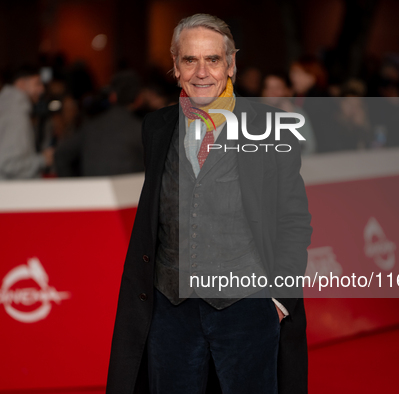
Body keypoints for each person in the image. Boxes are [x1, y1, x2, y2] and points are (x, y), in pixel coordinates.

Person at [106, 14, 312, 394]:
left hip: (247, 307)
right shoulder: (156, 126)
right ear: (175, 65)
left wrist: (280, 300)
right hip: (171, 309)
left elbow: (294, 220)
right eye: (190, 60)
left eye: (213, 60)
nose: (201, 72)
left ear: (231, 64)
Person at [0, 65, 53, 180]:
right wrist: (42, 159)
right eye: (37, 83)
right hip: (9, 195)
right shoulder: (17, 115)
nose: (42, 89)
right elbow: (9, 165)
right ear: (21, 84)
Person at [54, 70, 143, 177]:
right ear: (139, 99)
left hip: (94, 191)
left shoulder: (91, 126)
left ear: (112, 97)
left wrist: (73, 187)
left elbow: (60, 155)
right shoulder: (141, 130)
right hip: (130, 191)